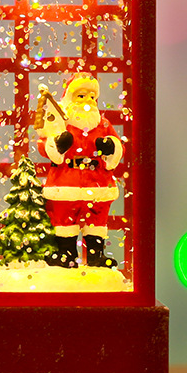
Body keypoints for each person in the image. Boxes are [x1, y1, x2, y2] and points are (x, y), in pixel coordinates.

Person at [37, 73, 123, 268]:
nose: (88, 101)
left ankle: (95, 256)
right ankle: (66, 253)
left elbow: (120, 147)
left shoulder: (103, 124)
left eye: (92, 97)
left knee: (97, 218)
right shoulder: (61, 122)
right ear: (70, 97)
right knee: (65, 218)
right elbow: (43, 144)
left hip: (97, 180)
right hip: (66, 180)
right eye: (82, 96)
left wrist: (111, 146)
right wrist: (57, 144)